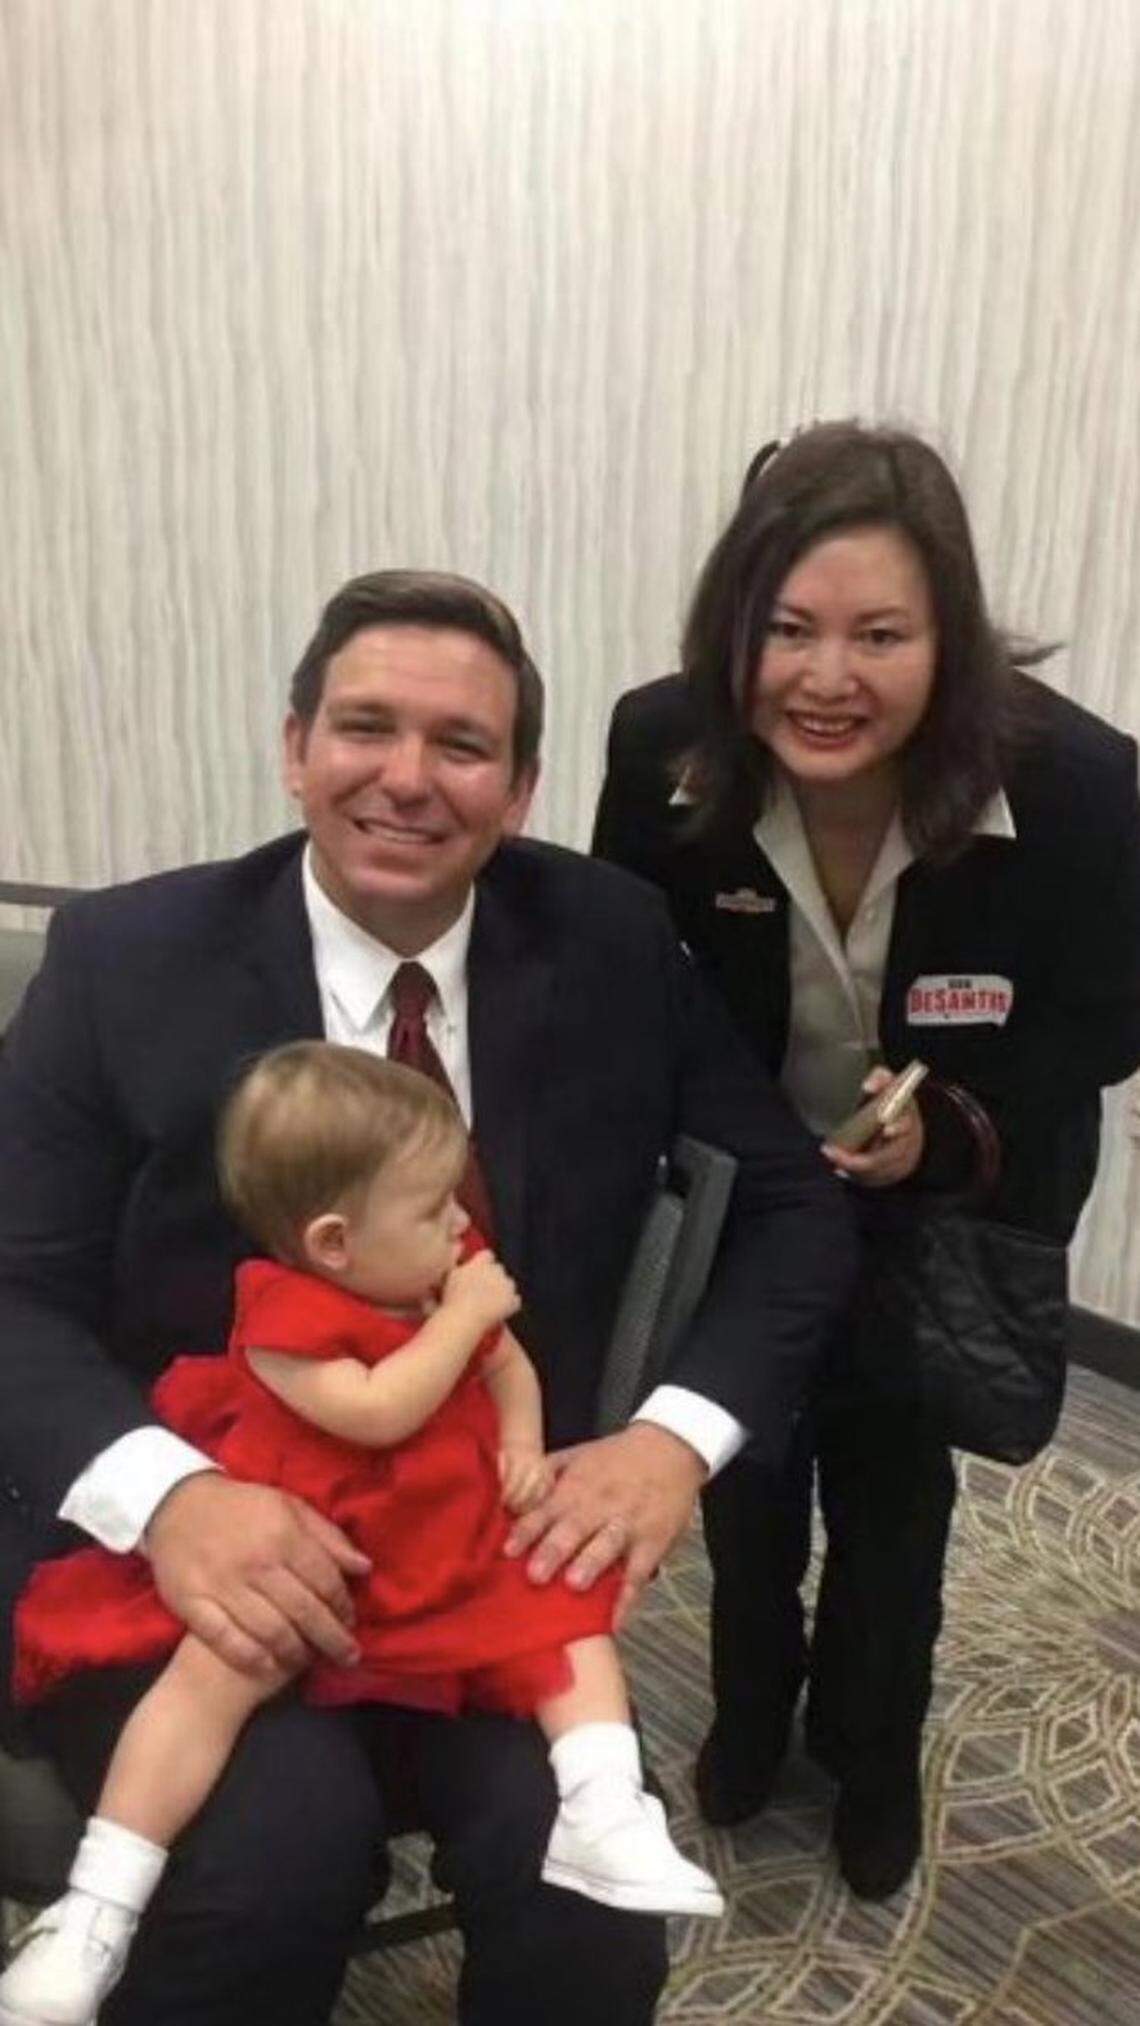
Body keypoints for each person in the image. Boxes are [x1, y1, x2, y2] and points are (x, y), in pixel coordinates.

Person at [0, 567, 856, 2026]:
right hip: (196, 1557)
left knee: (590, 1903)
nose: (406, 776)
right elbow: (14, 1290)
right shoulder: (125, 961)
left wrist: (670, 1443)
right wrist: (174, 1499)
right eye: (365, 727)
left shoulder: (609, 939)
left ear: (519, 791)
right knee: (275, 1866)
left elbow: (793, 1207)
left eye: (461, 744)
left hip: (471, 1548)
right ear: (295, 748)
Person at [593, 422, 1140, 1900]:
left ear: (948, 638)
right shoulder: (660, 747)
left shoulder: (1080, 784)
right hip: (746, 1192)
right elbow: (626, 975)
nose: (826, 677)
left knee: (895, 1497)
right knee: (746, 1472)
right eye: (789, 629)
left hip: (944, 1201)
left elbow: (1106, 1017)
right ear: (736, 625)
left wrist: (946, 1124)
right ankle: (751, 1709)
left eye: (880, 635)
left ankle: (872, 1751)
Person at [2, 1045, 722, 2026]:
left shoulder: (433, 1264)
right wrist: (461, 1318)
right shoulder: (284, 1309)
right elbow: (378, 1410)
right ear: (335, 1242)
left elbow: (509, 1364)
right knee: (213, 1677)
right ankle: (97, 1908)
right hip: (310, 1545)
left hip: (442, 1536)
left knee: (565, 1624)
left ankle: (605, 1808)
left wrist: (520, 1442)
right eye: (435, 1208)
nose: (462, 1223)